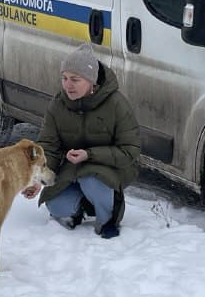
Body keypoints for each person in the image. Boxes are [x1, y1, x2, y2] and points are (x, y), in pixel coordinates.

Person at [31, 43, 140, 239]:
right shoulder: (57, 104)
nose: (68, 85)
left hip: (109, 168)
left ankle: (108, 217)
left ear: (92, 81)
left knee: (91, 180)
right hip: (72, 169)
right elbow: (49, 146)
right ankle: (80, 207)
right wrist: (38, 177)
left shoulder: (117, 104)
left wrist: (90, 155)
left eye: (75, 79)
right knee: (56, 206)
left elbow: (130, 151)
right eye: (64, 78)